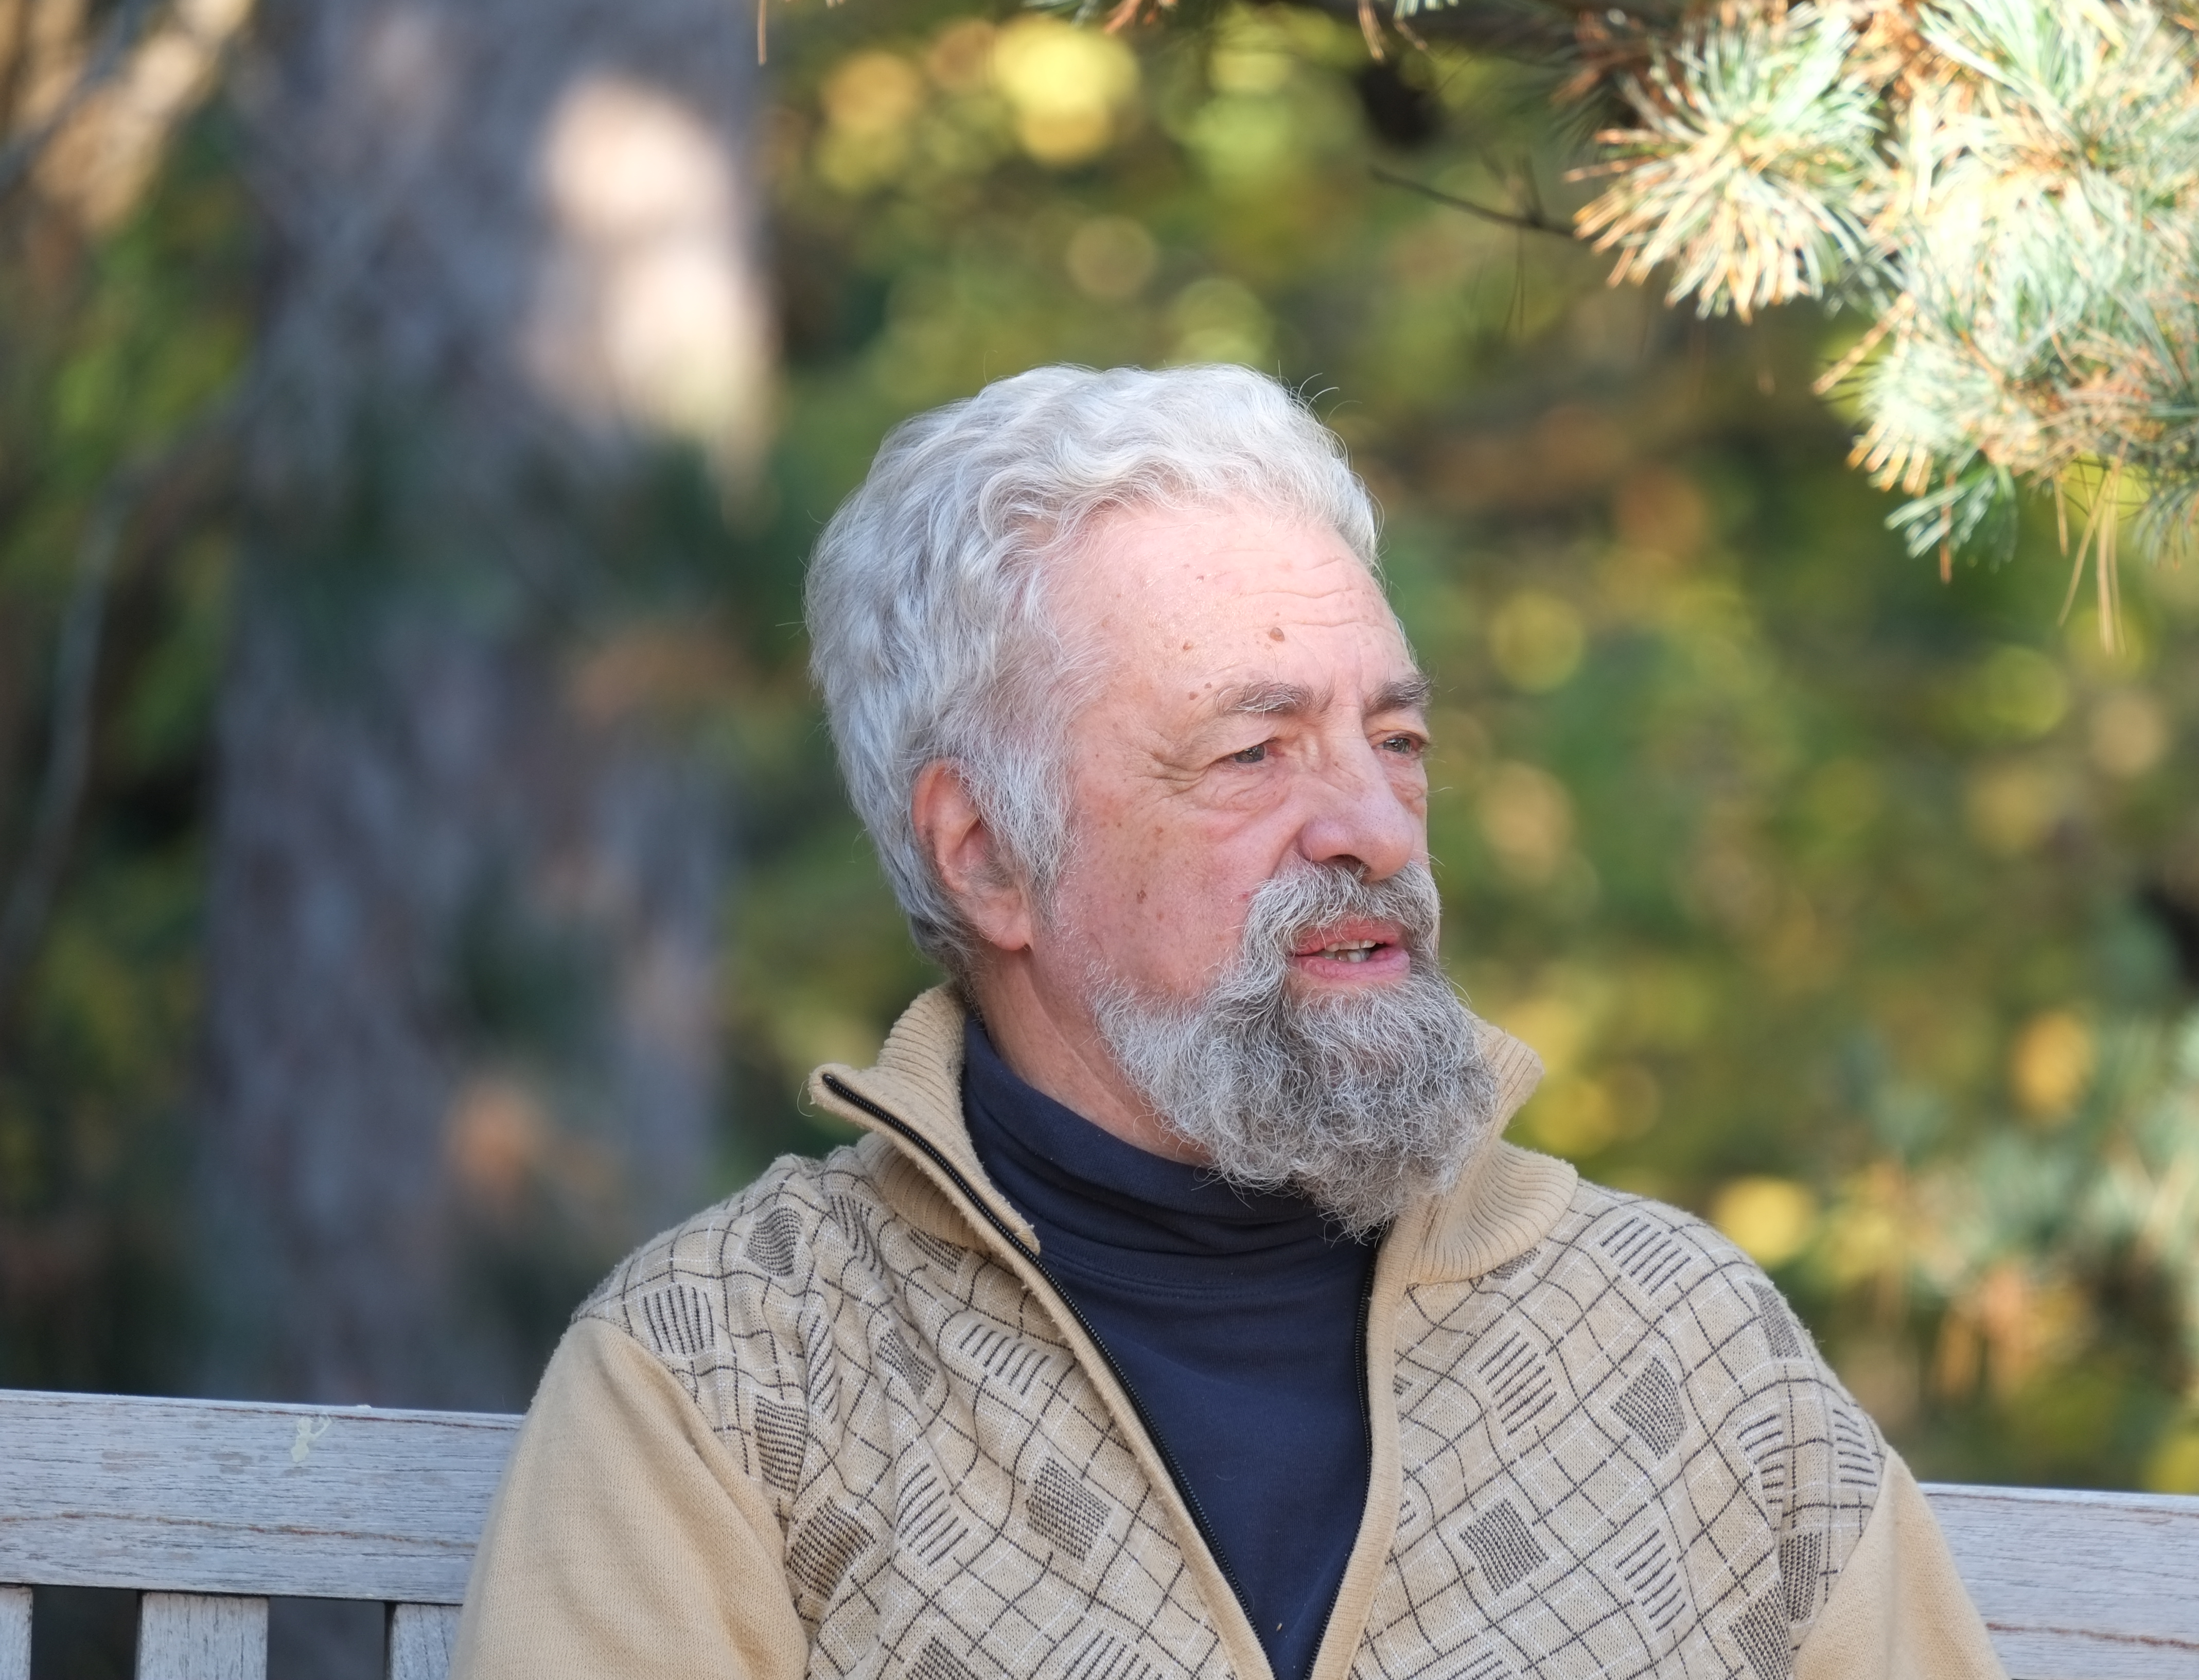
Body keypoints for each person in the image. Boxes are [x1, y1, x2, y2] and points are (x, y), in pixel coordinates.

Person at [450, 364, 2006, 1680]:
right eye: (1255, 755)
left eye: (1397, 739)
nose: (1375, 829)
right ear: (986, 854)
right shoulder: (731, 1377)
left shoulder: (1679, 1343)